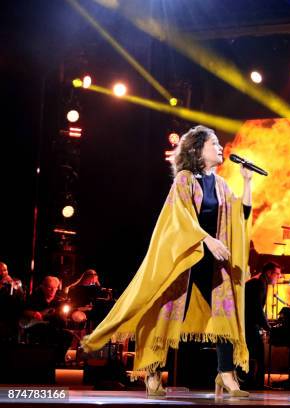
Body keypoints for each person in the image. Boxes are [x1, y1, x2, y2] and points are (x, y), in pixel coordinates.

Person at [81, 125, 253, 398]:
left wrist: (247, 182)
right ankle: (152, 372)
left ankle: (226, 375)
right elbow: (180, 219)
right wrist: (207, 240)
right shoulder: (184, 180)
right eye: (215, 143)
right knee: (164, 314)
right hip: (184, 259)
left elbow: (239, 215)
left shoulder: (220, 184)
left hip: (212, 264)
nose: (221, 148)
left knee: (226, 317)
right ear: (198, 150)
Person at [244, 261, 282, 389]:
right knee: (257, 355)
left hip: (249, 323)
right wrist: (267, 327)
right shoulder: (260, 283)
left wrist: (266, 324)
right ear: (269, 273)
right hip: (249, 324)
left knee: (256, 354)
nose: (279, 277)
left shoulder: (259, 281)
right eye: (277, 274)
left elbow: (258, 307)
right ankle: (255, 384)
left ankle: (255, 383)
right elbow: (256, 308)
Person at [22, 276, 73, 364]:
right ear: (43, 287)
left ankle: (58, 359)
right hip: (35, 326)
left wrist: (64, 316)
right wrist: (34, 313)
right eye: (49, 287)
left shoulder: (59, 301)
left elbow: (63, 321)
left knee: (68, 335)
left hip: (53, 327)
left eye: (55, 288)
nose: (52, 290)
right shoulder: (34, 298)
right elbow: (23, 311)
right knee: (48, 333)